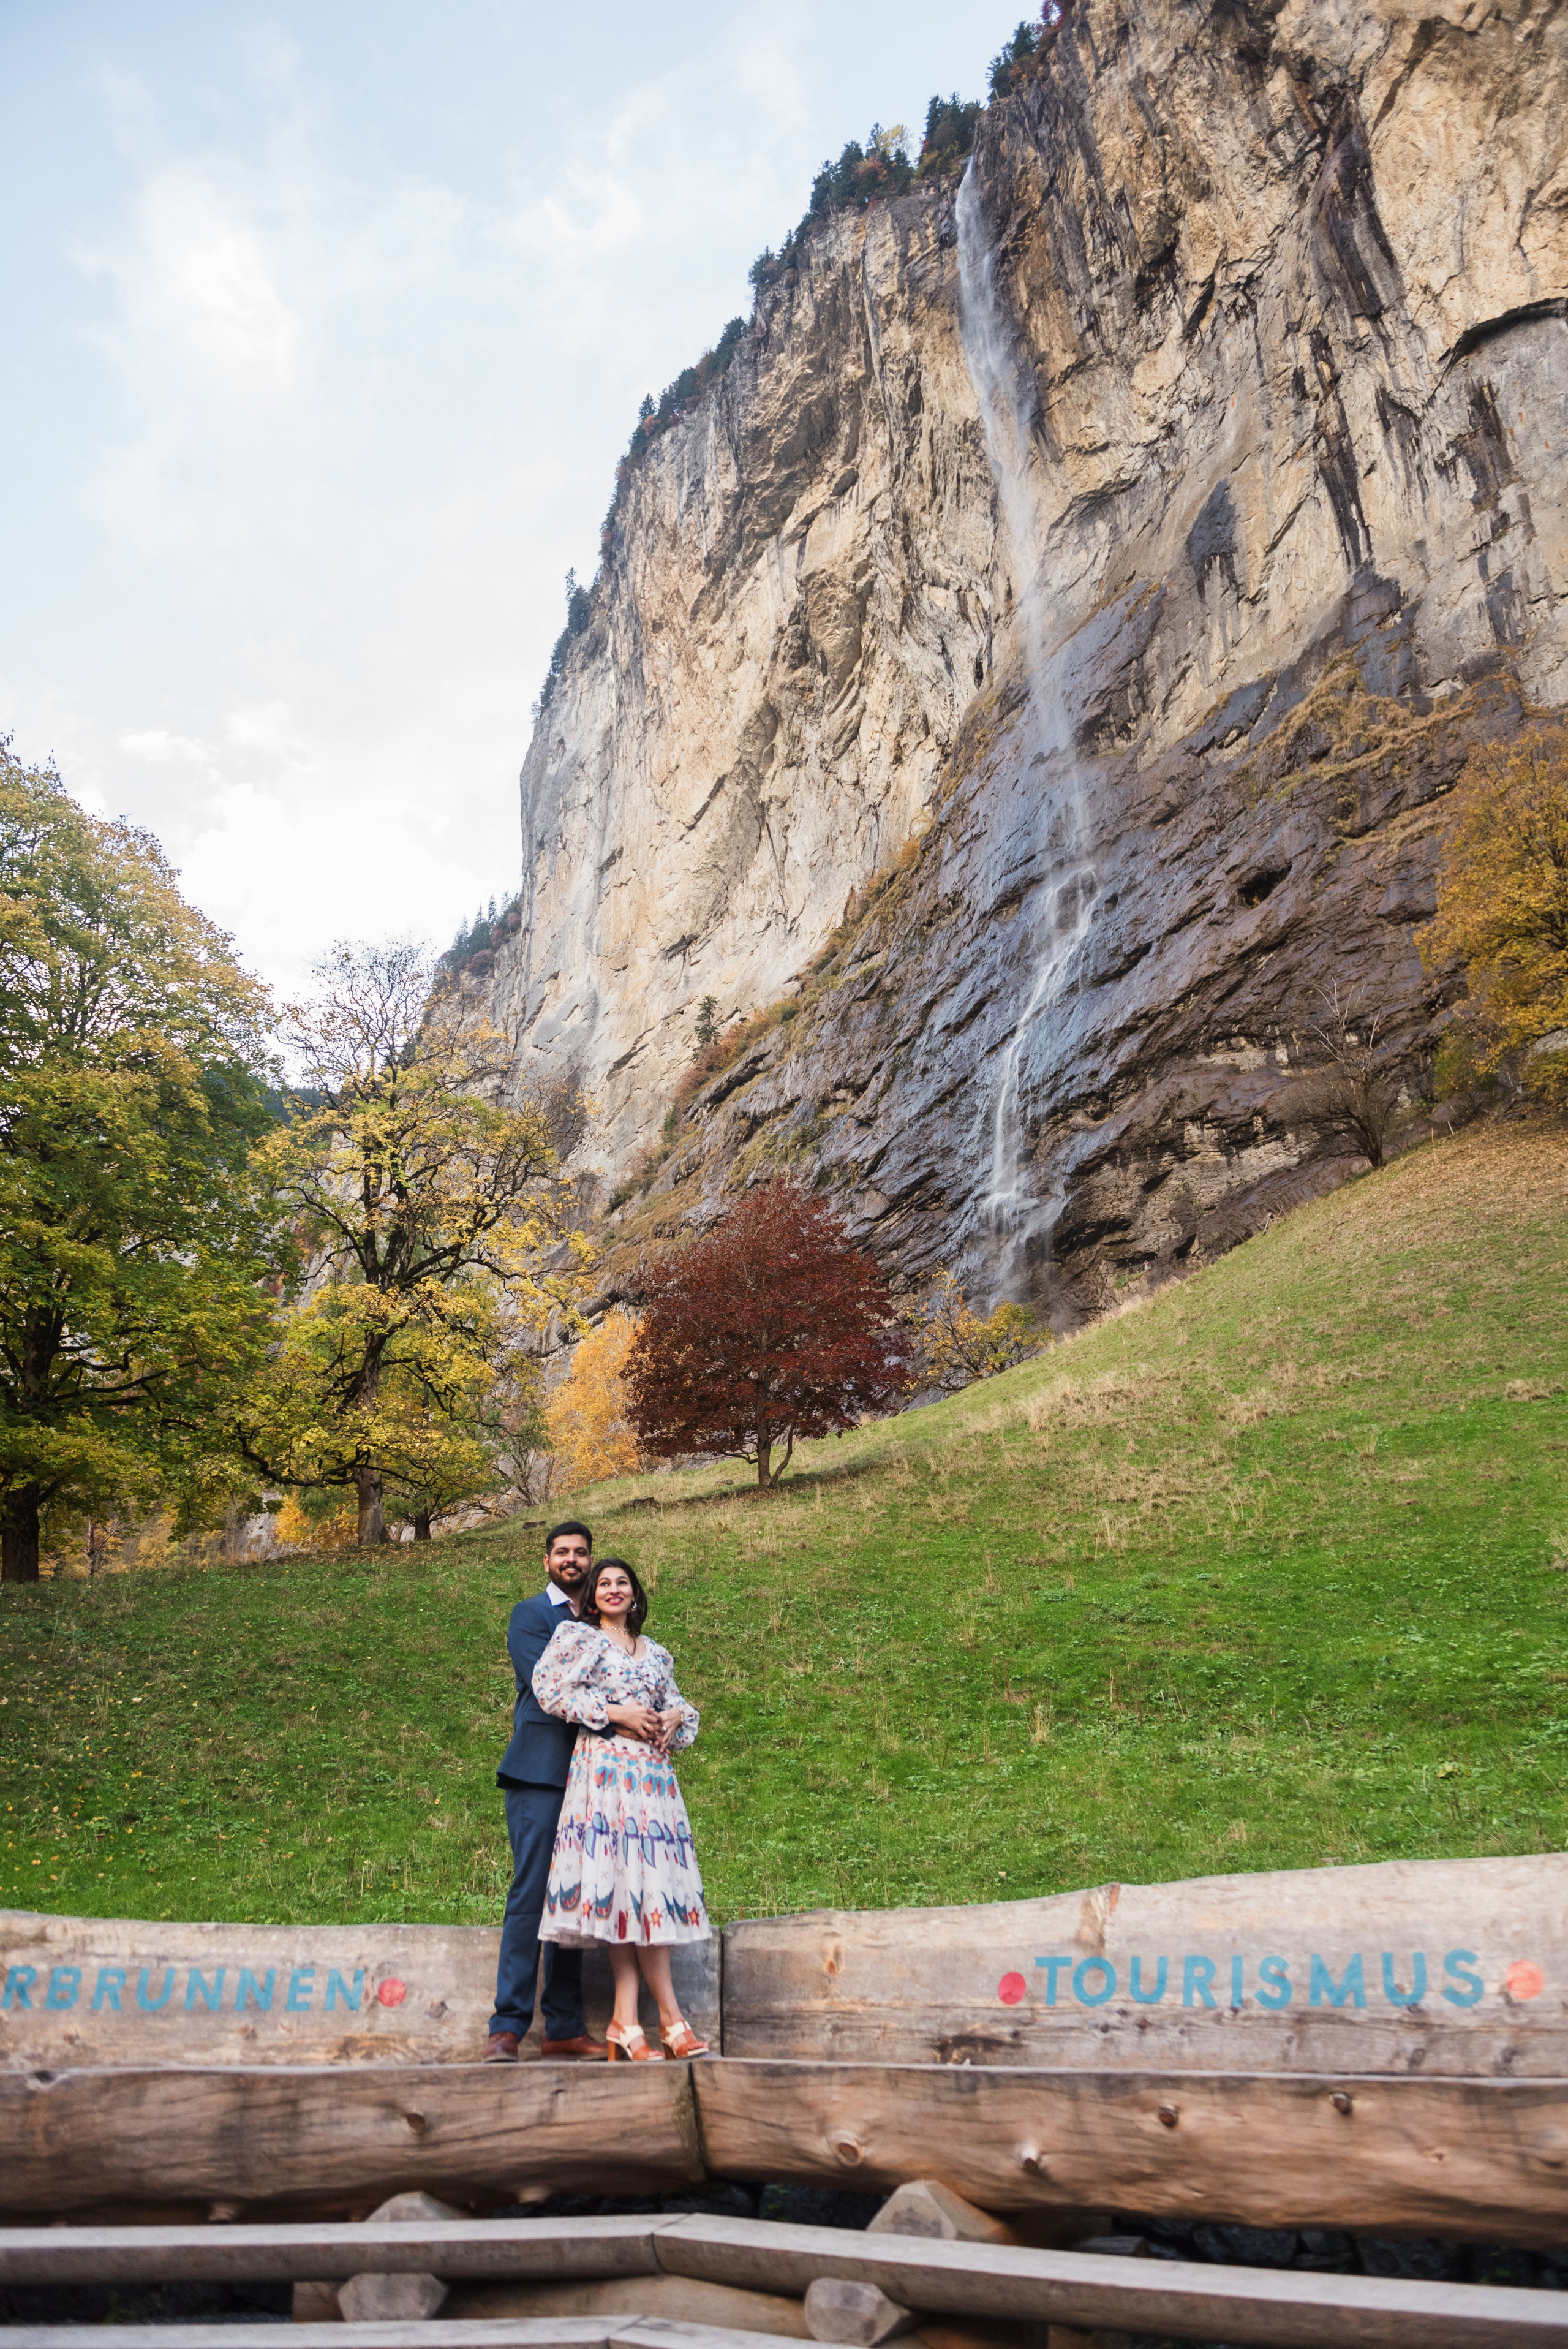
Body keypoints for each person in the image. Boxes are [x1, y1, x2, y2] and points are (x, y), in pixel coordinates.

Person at [532, 1556, 712, 2060]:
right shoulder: (579, 1638)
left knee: (647, 1891)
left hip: (653, 1781)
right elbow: (549, 1689)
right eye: (604, 1584)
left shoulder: (656, 1652)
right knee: (620, 1888)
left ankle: (627, 2022)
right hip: (606, 1772)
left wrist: (676, 1715)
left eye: (623, 1583)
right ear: (591, 1597)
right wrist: (617, 1713)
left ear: (636, 1595)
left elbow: (678, 1704)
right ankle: (661, 2023)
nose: (614, 1590)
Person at [484, 1521, 608, 2063]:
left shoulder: (606, 1618)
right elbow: (551, 1687)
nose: (573, 1560)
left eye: (581, 1552)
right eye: (562, 1552)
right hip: (539, 1771)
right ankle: (507, 2026)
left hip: (593, 1776)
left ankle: (563, 2026)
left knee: (574, 1899)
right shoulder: (531, 1616)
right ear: (547, 1561)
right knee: (531, 1894)